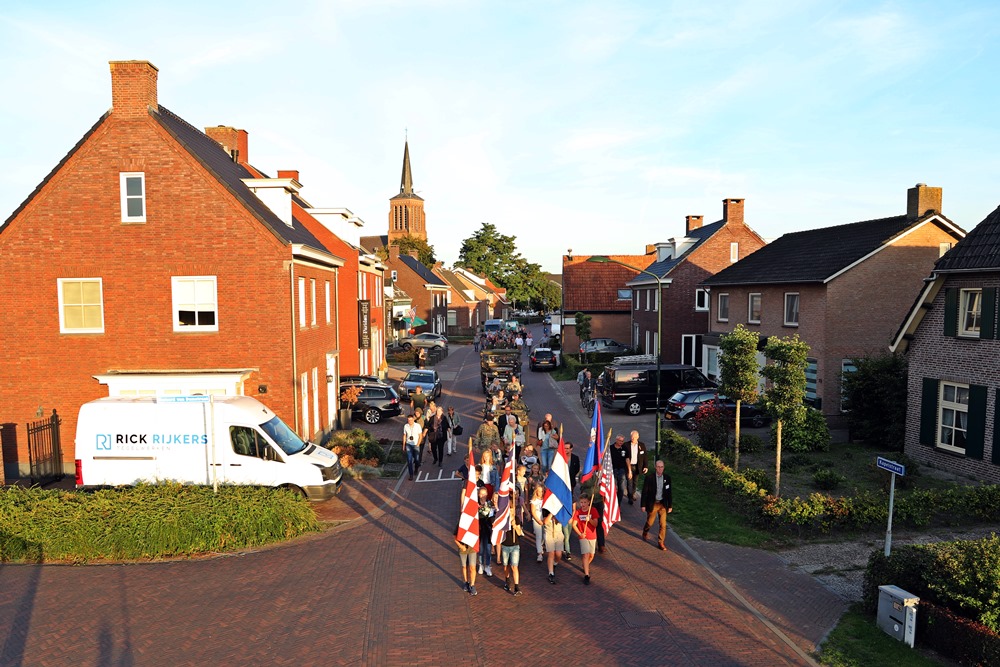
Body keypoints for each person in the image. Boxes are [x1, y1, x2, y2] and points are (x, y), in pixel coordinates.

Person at [641, 460, 673, 551]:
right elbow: (644, 492)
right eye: (658, 467)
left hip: (662, 504)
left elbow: (669, 493)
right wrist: (643, 505)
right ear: (655, 467)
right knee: (650, 522)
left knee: (663, 524)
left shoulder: (667, 478)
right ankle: (645, 531)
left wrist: (670, 505)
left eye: (662, 467)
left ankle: (661, 542)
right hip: (653, 503)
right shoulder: (649, 478)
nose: (660, 469)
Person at [571, 495, 599, 584]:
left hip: (592, 536)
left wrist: (589, 519)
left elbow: (595, 524)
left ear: (588, 503)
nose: (583, 504)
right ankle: (587, 575)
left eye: (585, 502)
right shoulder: (578, 512)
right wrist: (580, 534)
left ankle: (585, 564)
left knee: (591, 555)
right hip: (583, 536)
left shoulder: (593, 511)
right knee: (585, 554)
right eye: (581, 502)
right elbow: (574, 525)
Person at [500, 505, 524, 596]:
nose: (512, 513)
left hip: (515, 546)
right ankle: (507, 580)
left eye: (513, 511)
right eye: (510, 511)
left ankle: (516, 587)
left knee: (514, 566)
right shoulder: (503, 520)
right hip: (505, 545)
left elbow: (519, 533)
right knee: (506, 565)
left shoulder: (517, 519)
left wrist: (515, 526)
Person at [455, 522, 478, 596]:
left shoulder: (474, 521)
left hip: (472, 548)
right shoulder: (460, 524)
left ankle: (472, 585)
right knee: (464, 566)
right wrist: (461, 546)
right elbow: (455, 537)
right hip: (463, 548)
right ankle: (466, 582)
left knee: (472, 567)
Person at [541, 508, 564, 584]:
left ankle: (555, 563)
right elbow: (545, 522)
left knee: (558, 554)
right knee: (551, 553)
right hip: (549, 533)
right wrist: (551, 513)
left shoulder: (560, 509)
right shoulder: (545, 509)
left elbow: (563, 521)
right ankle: (551, 573)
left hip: (558, 533)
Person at [626, 430, 648, 505]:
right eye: (632, 437)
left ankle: (633, 493)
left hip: (637, 466)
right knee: (629, 481)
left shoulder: (642, 445)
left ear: (638, 437)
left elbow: (645, 456)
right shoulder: (626, 445)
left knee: (635, 481)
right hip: (629, 466)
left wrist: (645, 466)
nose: (633, 439)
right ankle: (630, 497)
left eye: (635, 437)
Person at [477, 487, 495, 576]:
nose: (483, 496)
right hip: (479, 530)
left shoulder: (489, 503)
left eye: (485, 494)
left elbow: (493, 515)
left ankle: (487, 565)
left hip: (488, 530)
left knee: (488, 549)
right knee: (480, 549)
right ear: (478, 494)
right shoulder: (475, 504)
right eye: (481, 494)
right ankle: (481, 564)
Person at [609, 435, 629, 505]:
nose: (621, 442)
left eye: (622, 441)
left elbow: (627, 459)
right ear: (616, 440)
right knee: (613, 488)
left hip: (622, 470)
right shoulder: (611, 448)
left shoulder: (624, 448)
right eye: (620, 441)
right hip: (613, 470)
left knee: (621, 488)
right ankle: (612, 503)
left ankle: (618, 504)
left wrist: (629, 470)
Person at [402, 414, 422, 481]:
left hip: (416, 444)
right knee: (409, 460)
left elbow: (420, 436)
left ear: (413, 419)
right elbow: (404, 435)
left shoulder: (417, 426)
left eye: (411, 420)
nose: (410, 421)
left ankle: (416, 469)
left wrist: (418, 444)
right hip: (408, 444)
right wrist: (404, 445)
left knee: (416, 459)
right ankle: (411, 474)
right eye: (408, 420)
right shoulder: (406, 426)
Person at [529, 485, 545, 563]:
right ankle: (539, 553)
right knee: (539, 536)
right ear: (536, 491)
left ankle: (541, 547)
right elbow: (533, 512)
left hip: (544, 520)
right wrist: (538, 520)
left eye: (542, 491)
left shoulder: (545, 499)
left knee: (544, 536)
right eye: (539, 491)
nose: (541, 493)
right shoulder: (534, 501)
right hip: (537, 520)